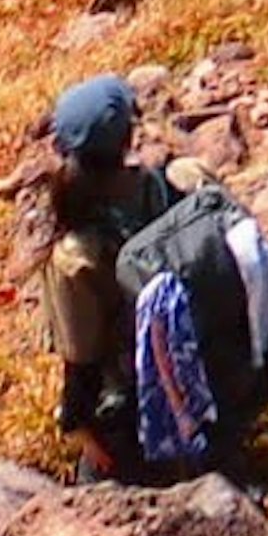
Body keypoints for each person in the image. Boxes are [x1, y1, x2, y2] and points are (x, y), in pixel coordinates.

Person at [39, 77, 194, 480]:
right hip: (200, 376)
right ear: (127, 139)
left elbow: (83, 362)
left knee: (95, 489)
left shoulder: (77, 256)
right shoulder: (168, 187)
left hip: (133, 414)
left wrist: (76, 425)